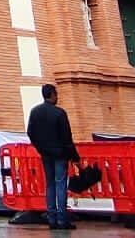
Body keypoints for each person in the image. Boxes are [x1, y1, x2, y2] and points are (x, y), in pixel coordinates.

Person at [26, 84, 80, 230]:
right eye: (56, 94)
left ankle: (52, 218)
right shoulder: (59, 113)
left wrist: (40, 147)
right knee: (60, 184)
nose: (58, 96)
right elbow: (67, 137)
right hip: (60, 154)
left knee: (50, 184)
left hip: (45, 154)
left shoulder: (35, 112)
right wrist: (74, 156)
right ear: (51, 94)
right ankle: (62, 219)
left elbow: (30, 132)